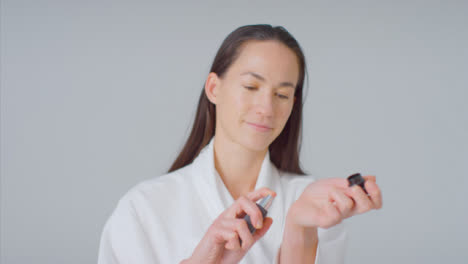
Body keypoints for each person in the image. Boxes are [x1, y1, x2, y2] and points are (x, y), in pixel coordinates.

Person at [97, 24, 383, 264]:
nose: (266, 108)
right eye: (250, 87)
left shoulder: (315, 207)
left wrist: (298, 229)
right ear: (214, 88)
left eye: (282, 95)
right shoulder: (144, 209)